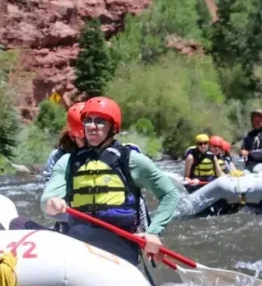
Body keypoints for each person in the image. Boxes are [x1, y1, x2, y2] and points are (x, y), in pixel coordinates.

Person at [40, 97, 180, 265]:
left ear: (113, 127)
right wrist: (51, 202)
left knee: (79, 232)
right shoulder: (67, 161)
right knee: (67, 231)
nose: (92, 126)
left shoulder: (131, 160)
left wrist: (153, 232)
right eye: (88, 121)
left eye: (100, 121)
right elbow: (46, 199)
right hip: (79, 243)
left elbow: (169, 194)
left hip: (120, 245)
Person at [42, 102, 86, 181]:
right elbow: (50, 187)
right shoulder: (58, 156)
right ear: (72, 136)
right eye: (84, 138)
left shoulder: (109, 153)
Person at [240, 108, 262, 172]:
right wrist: (242, 152)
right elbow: (243, 150)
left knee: (256, 170)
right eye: (255, 120)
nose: (257, 122)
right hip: (250, 164)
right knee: (244, 174)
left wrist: (249, 153)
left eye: (259, 121)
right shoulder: (249, 135)